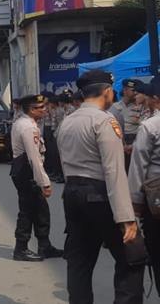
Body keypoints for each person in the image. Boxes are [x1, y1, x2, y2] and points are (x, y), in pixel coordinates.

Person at [56, 70, 144, 303]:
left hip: (73, 193)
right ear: (106, 92)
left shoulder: (68, 120)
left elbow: (64, 162)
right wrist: (126, 218)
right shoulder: (104, 120)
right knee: (131, 257)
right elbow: (114, 171)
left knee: (79, 261)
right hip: (99, 193)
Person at [9, 94, 63, 261]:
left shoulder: (25, 122)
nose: (44, 110)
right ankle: (21, 249)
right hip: (27, 171)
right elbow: (34, 158)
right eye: (40, 108)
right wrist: (44, 183)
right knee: (28, 211)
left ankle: (44, 246)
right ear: (32, 110)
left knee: (41, 211)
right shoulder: (28, 127)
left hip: (24, 169)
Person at [128, 76, 160, 289]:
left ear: (155, 98)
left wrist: (135, 203)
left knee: (157, 250)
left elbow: (138, 166)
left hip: (156, 200)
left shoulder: (150, 126)